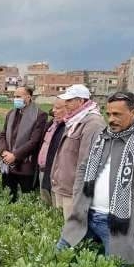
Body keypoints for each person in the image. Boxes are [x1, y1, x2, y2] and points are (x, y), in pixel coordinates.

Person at [56, 92, 134, 265]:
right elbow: (83, 168)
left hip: (118, 226)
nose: (111, 119)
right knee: (59, 263)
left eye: (117, 114)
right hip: (84, 216)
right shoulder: (101, 137)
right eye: (109, 114)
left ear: (133, 113)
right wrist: (77, 198)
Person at [50, 84, 105, 218]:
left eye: (69, 100)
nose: (66, 104)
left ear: (81, 101)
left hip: (73, 192)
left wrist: (80, 194)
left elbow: (88, 162)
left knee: (72, 232)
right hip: (63, 186)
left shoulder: (93, 123)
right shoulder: (75, 120)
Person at [0, 86, 47, 201]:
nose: (15, 99)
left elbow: (34, 141)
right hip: (8, 164)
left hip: (26, 166)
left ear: (28, 97)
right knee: (8, 198)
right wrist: (4, 151)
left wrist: (15, 156)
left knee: (27, 199)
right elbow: (3, 135)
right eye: (14, 96)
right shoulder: (11, 113)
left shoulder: (39, 115)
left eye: (18, 97)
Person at [38, 99, 67, 205]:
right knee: (45, 206)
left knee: (56, 209)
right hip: (43, 171)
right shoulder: (52, 123)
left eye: (58, 108)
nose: (53, 111)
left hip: (55, 176)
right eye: (54, 107)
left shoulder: (68, 127)